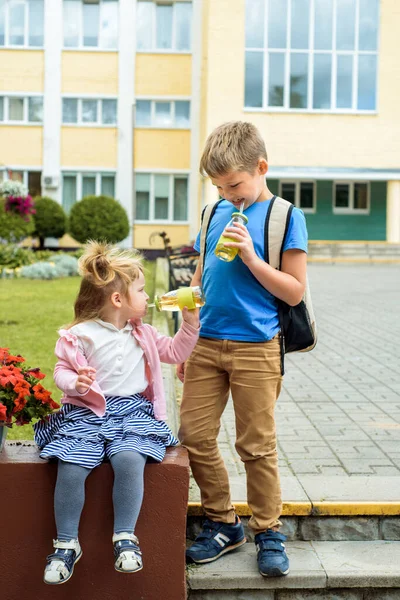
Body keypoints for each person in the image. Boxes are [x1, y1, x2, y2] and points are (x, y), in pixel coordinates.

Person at [178, 121, 308, 577]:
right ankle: (222, 522)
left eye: (235, 184)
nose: (228, 193)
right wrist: (185, 332)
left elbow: (293, 292)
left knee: (255, 445)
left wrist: (252, 257)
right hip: (207, 344)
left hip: (257, 347)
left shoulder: (285, 217)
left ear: (261, 167)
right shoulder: (213, 213)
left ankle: (268, 529)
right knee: (193, 436)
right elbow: (200, 276)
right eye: (219, 186)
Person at [34, 240, 199, 585]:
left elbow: (175, 351)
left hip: (132, 411)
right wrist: (76, 382)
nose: (147, 296)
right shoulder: (80, 335)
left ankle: (125, 537)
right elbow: (60, 371)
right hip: (86, 412)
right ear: (118, 300)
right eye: (140, 289)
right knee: (72, 463)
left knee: (129, 459)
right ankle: (66, 544)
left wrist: (190, 324)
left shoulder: (145, 333)